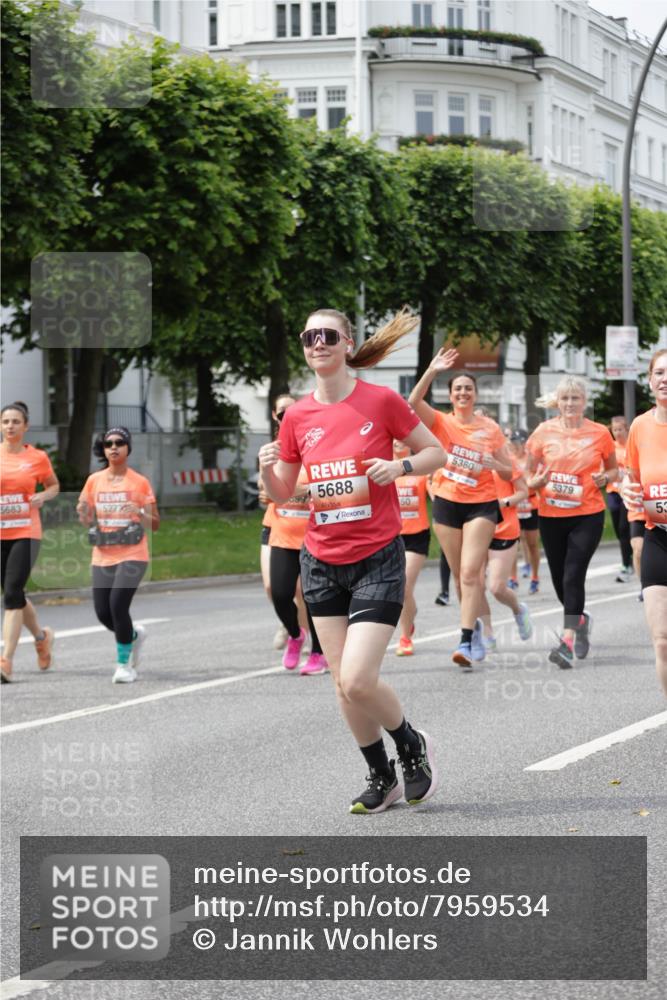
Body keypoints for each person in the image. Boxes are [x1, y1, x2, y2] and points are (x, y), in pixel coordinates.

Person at [259, 308, 446, 814]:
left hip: (377, 558)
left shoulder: (380, 401)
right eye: (308, 337)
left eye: (326, 336)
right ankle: (380, 774)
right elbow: (284, 495)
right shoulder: (297, 415)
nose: (316, 343)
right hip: (320, 560)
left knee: (358, 678)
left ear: (346, 343)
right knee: (342, 684)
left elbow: (436, 454)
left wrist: (399, 465)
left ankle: (410, 745)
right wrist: (269, 473)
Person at [409, 352, 514, 669]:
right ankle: (477, 627)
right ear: (451, 395)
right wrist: (431, 369)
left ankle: (465, 640)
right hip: (447, 502)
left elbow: (509, 472)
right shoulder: (441, 421)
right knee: (459, 577)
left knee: (471, 573)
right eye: (458, 389)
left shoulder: (490, 428)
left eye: (469, 389)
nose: (464, 393)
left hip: (481, 504)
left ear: (476, 394)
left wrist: (492, 464)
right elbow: (412, 403)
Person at [525, 377, 617, 669]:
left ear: (584, 401)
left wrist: (606, 478)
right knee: (558, 579)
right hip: (551, 516)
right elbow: (527, 474)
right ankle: (579, 619)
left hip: (587, 514)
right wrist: (534, 482)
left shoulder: (600, 433)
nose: (569, 404)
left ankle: (565, 641)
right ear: (558, 402)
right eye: (565, 399)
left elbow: (614, 469)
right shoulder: (543, 432)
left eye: (575, 398)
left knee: (573, 574)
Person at [77, 427, 159, 684]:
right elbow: (87, 519)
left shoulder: (139, 482)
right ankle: (132, 636)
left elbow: (155, 523)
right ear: (103, 449)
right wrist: (82, 512)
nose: (113, 447)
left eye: (119, 443)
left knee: (117, 605)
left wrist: (140, 511)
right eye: (108, 443)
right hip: (103, 553)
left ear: (128, 447)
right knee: (103, 612)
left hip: (133, 552)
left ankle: (124, 665)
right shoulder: (94, 481)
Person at [0, 402, 59, 683]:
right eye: (5, 421)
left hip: (26, 531)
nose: (10, 426)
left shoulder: (36, 457)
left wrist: (42, 497)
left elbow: (53, 485)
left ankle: (5, 661)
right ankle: (41, 637)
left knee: (11, 594)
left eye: (15, 421)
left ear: (25, 426)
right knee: (15, 593)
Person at [621, 349, 667, 696]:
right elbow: (630, 475)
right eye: (659, 373)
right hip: (658, 536)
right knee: (662, 641)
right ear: (650, 380)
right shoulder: (639, 425)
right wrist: (627, 491)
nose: (665, 379)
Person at [269, 459, 328, 675]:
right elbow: (267, 491)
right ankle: (295, 634)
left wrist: (291, 489)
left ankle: (319, 652)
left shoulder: (321, 452)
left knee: (312, 596)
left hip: (316, 536)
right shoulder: (278, 454)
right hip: (283, 536)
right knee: (280, 594)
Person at [258, 395, 307, 651]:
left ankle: (305, 631)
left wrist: (288, 489)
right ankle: (289, 624)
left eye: (292, 411)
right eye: (281, 413)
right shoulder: (273, 447)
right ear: (275, 417)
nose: (287, 417)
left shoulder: (309, 442)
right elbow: (263, 485)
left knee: (301, 590)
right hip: (274, 524)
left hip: (303, 526)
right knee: (272, 586)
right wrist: (266, 488)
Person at [477, 461, 533, 655]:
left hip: (504, 529)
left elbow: (523, 491)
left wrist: (504, 502)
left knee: (496, 587)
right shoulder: (467, 460)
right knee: (475, 585)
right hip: (476, 529)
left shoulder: (504, 464)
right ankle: (487, 632)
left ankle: (519, 610)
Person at [394, 441, 431, 656]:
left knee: (404, 586)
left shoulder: (420, 468)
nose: (398, 442)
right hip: (392, 534)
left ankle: (405, 637)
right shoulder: (383, 467)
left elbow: (435, 492)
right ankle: (410, 613)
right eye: (394, 438)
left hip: (417, 535)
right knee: (401, 590)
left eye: (402, 439)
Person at [509, 430, 541, 594]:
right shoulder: (509, 458)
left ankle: (535, 577)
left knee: (532, 543)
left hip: (531, 504)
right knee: (513, 543)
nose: (515, 446)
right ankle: (512, 578)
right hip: (514, 504)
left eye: (518, 442)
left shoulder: (530, 459)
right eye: (513, 442)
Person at [606, 415, 633, 583]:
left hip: (627, 492)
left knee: (624, 528)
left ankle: (626, 565)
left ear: (626, 429)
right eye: (614, 430)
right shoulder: (611, 448)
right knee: (617, 528)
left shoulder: (631, 446)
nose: (617, 433)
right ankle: (627, 555)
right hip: (613, 491)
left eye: (620, 429)